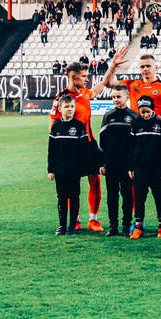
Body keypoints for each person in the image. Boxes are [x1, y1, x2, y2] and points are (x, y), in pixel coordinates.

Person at [100, 46, 161, 224]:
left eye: (148, 66)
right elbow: (107, 83)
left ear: (156, 67)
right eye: (142, 66)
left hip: (155, 140)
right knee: (135, 181)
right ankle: (138, 221)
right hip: (135, 140)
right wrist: (113, 66)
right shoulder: (132, 84)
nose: (145, 69)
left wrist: (158, 124)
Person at [51, 61, 104, 231]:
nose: (87, 79)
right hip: (71, 147)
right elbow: (53, 126)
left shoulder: (85, 93)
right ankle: (75, 220)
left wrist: (113, 66)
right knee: (70, 182)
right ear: (74, 77)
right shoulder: (61, 98)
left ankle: (93, 220)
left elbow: (99, 87)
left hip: (89, 143)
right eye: (84, 76)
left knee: (95, 179)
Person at [47, 92, 94, 236]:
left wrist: (84, 168)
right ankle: (62, 225)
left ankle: (72, 226)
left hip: (74, 169)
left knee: (74, 197)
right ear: (60, 109)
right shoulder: (56, 126)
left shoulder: (79, 126)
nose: (70, 109)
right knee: (61, 197)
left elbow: (85, 149)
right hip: (60, 169)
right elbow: (51, 150)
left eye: (72, 106)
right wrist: (51, 169)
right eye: (66, 106)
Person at [97, 87, 137, 236]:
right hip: (111, 163)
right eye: (113, 97)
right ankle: (113, 227)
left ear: (127, 97)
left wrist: (134, 165)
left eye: (118, 96)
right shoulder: (108, 116)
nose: (115, 99)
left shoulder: (134, 116)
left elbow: (137, 143)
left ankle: (126, 227)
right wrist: (102, 163)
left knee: (127, 195)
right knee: (112, 196)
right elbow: (102, 141)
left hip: (127, 165)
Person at [128, 95, 161, 239]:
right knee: (139, 198)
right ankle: (138, 227)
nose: (145, 115)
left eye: (148, 111)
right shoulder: (136, 123)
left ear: (152, 109)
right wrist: (131, 167)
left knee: (159, 197)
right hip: (139, 168)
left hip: (156, 168)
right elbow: (131, 147)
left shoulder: (160, 122)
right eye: (143, 112)